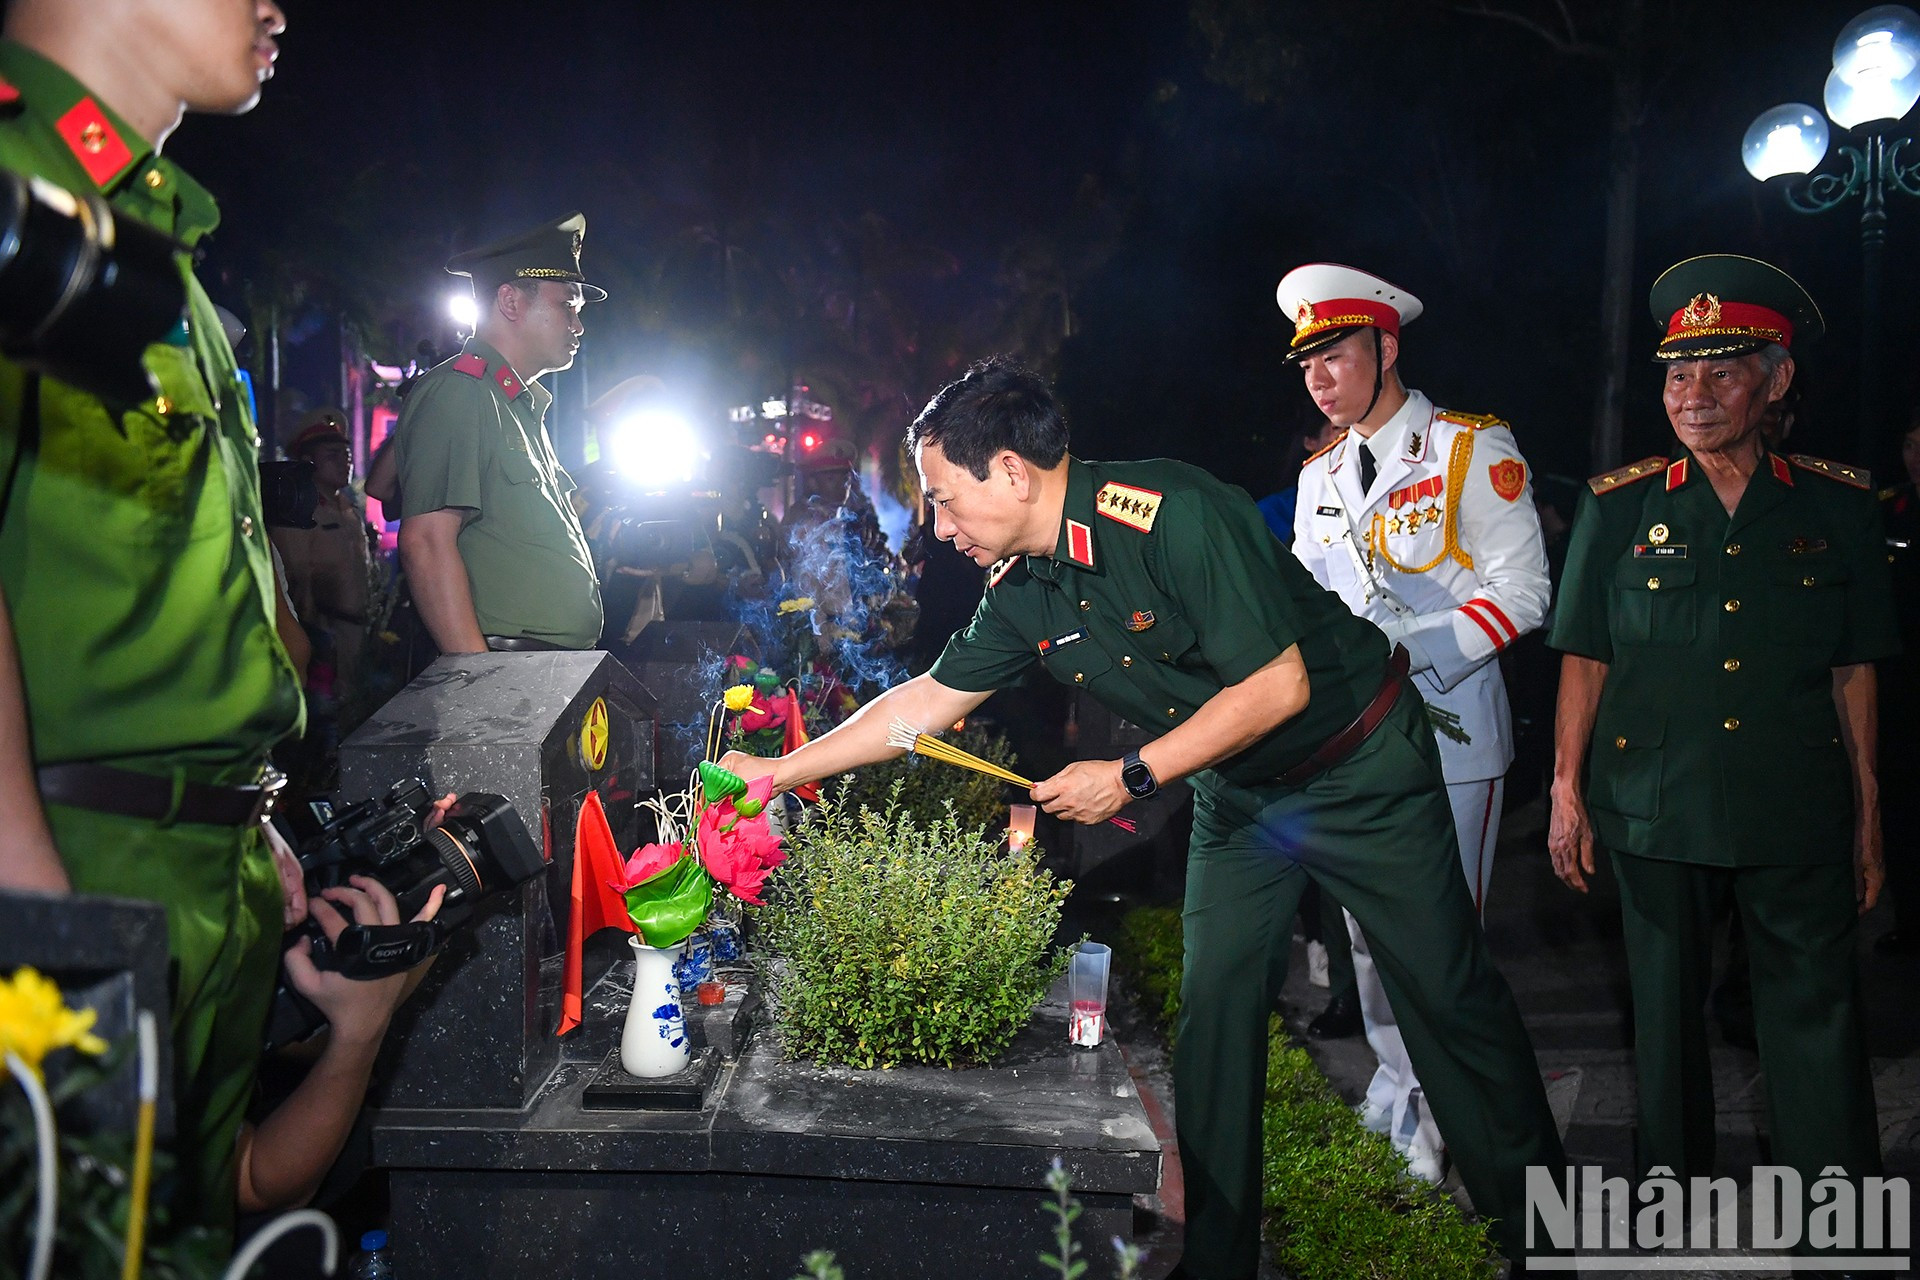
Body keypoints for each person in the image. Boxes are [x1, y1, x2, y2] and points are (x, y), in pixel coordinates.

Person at [722, 356, 1565, 1279]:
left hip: (1357, 768)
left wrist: (1129, 773)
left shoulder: (1174, 515)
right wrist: (782, 768)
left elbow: (1278, 685)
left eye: (945, 497)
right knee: (1214, 1017)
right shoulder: (1024, 586)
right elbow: (926, 701)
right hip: (1241, 798)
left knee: (1448, 1004)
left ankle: (1549, 1246)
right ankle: (1217, 1261)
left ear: (1010, 470)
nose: (940, 523)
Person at [0, 0, 313, 1257]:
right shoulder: (23, 194)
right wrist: (34, 922)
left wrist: (251, 813)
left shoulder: (147, 242)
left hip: (200, 860)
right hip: (71, 858)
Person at [1548, 255, 1894, 1255]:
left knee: (1818, 1022)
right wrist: (1567, 787)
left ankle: (1836, 1228)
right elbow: (1585, 654)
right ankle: (1671, 1217)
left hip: (1796, 800)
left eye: (1720, 371)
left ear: (1776, 381)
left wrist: (1870, 807)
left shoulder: (1837, 508)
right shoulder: (1618, 507)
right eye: (1676, 375)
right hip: (1657, 803)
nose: (1691, 396)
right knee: (1663, 1022)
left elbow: (1855, 669)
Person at [1285, 263, 1551, 1180]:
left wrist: (1413, 645)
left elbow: (1525, 593)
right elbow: (1306, 608)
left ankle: (1444, 1114)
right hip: (1353, 743)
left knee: (1442, 938)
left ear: (1386, 347)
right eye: (1307, 361)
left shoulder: (1469, 449)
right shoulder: (1319, 474)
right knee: (1363, 931)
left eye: (1336, 354)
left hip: (1450, 731)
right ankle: (1399, 1089)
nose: (1319, 377)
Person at [394, 213, 605, 654]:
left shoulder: (517, 405)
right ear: (510, 302)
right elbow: (427, 543)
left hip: (545, 672)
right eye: (567, 306)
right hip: (505, 672)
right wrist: (480, 681)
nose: (578, 326)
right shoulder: (460, 392)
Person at [271, 409, 373, 694]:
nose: (345, 463)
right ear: (308, 461)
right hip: (326, 637)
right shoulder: (298, 512)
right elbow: (296, 578)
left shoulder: (347, 508)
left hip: (357, 632)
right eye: (333, 456)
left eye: (346, 456)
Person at [1874, 408, 1920, 954]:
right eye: (1910, 445)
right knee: (1903, 806)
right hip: (1900, 684)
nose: (1916, 458)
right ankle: (1910, 921)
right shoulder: (1889, 509)